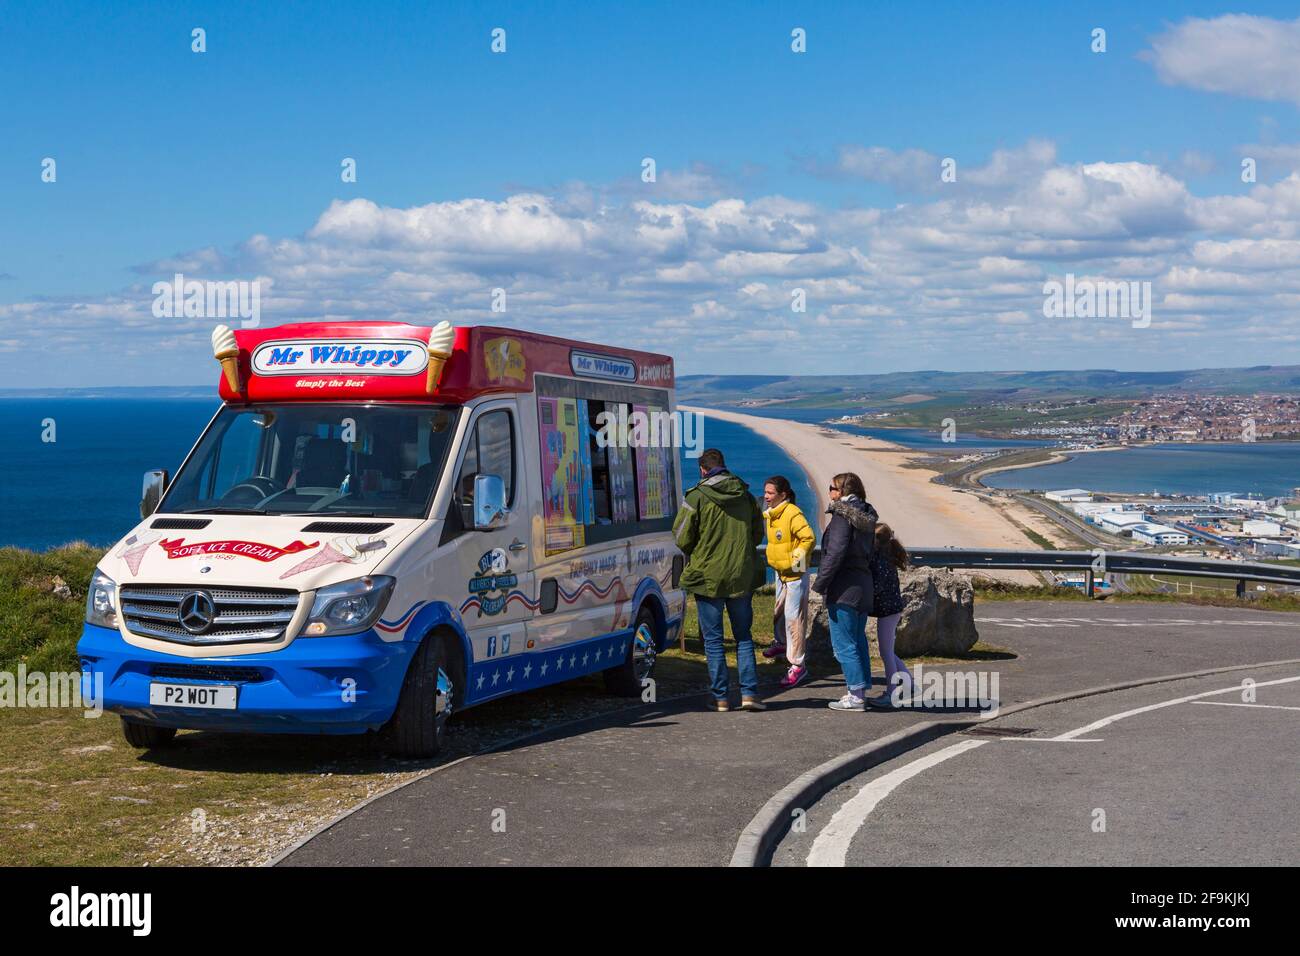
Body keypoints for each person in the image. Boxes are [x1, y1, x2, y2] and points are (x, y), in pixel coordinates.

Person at [673, 448, 766, 712]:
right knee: (743, 637)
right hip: (740, 574)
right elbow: (757, 533)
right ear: (724, 466)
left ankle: (721, 697)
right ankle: (749, 694)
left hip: (707, 575)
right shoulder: (745, 496)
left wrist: (700, 549)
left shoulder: (696, 496)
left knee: (714, 641)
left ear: (702, 470)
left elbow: (681, 536)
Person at [810, 472, 879, 711]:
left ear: (840, 491)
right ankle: (860, 689)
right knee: (858, 640)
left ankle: (856, 694)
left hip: (843, 588)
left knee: (844, 644)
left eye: (831, 488)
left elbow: (835, 553)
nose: (829, 492)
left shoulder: (841, 517)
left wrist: (820, 583)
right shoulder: (867, 516)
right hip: (863, 585)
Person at [761, 476, 816, 688]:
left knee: (794, 619)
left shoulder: (792, 513)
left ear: (783, 495)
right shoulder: (772, 515)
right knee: (780, 611)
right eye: (765, 492)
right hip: (780, 570)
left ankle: (798, 666)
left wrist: (795, 560)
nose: (766, 497)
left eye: (770, 493)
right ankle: (781, 643)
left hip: (795, 573)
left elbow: (808, 538)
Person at [865, 523, 913, 709]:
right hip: (891, 609)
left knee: (886, 653)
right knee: (889, 651)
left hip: (888, 611)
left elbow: (878, 587)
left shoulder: (881, 560)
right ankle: (909, 684)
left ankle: (891, 693)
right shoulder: (885, 556)